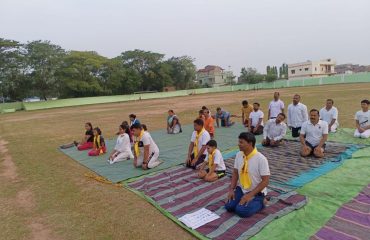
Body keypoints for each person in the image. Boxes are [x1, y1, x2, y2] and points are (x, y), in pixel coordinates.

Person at [225, 132, 270, 218]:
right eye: (239, 142)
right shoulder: (239, 155)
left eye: (241, 142)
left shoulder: (261, 159)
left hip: (256, 192)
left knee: (241, 211)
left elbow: (265, 181)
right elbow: (235, 173)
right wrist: (231, 189)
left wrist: (250, 195)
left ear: (250, 144)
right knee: (229, 206)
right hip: (242, 189)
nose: (238, 144)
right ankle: (243, 199)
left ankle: (261, 202)